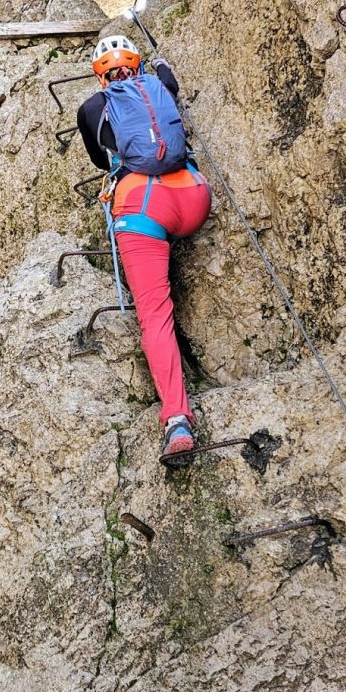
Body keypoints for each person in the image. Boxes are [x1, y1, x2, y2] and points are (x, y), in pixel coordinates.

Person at [77, 34, 211, 466]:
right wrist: (162, 63)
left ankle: (177, 420)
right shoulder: (159, 84)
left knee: (155, 314)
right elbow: (169, 82)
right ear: (135, 65)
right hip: (192, 194)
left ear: (100, 75)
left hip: (143, 205)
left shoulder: (92, 108)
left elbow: (102, 160)